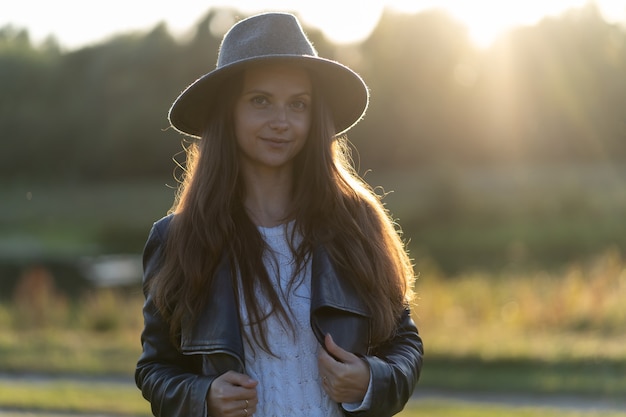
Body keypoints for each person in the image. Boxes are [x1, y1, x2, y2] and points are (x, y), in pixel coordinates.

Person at [135, 12, 423, 417]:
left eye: (298, 104)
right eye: (260, 101)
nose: (281, 122)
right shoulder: (178, 239)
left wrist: (370, 380)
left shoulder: (356, 223)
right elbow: (155, 369)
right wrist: (203, 397)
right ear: (227, 112)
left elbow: (404, 344)